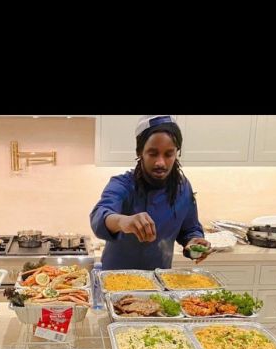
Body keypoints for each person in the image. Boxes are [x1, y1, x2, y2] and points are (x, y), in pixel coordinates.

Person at [90, 115, 212, 271]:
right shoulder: (123, 184)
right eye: (153, 153)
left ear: (176, 153)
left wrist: (194, 240)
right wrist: (122, 221)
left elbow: (190, 229)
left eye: (168, 154)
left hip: (159, 280)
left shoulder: (182, 188)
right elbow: (99, 215)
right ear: (140, 152)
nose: (160, 162)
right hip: (115, 278)